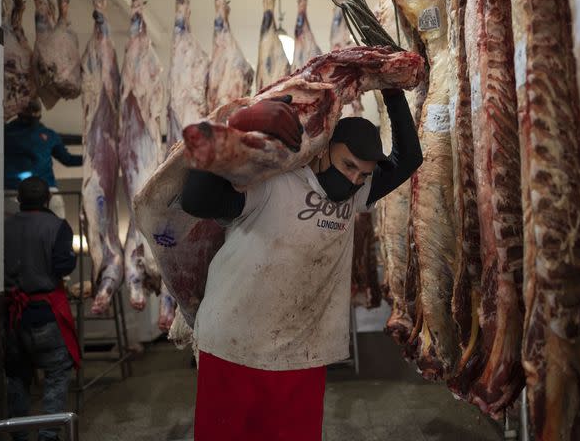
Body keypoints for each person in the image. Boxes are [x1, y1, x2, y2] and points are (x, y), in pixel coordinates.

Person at [181, 89, 422, 440]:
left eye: (363, 173)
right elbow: (196, 200)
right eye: (348, 165)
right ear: (324, 149)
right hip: (234, 345)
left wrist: (392, 93)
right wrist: (237, 125)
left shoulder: (356, 193)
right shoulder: (274, 181)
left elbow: (409, 158)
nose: (354, 180)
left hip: (303, 352)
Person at [4, 177, 80, 441]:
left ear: (19, 200)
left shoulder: (4, 226)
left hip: (12, 317)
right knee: (57, 373)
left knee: (17, 376)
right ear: (48, 199)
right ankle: (48, 434)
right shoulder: (57, 226)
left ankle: (19, 435)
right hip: (45, 314)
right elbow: (63, 266)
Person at [4, 99, 83, 219]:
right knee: (56, 230)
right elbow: (68, 160)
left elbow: (68, 160)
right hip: (43, 192)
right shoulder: (48, 134)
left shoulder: (3, 132)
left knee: (13, 233)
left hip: (14, 192)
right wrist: (90, 160)